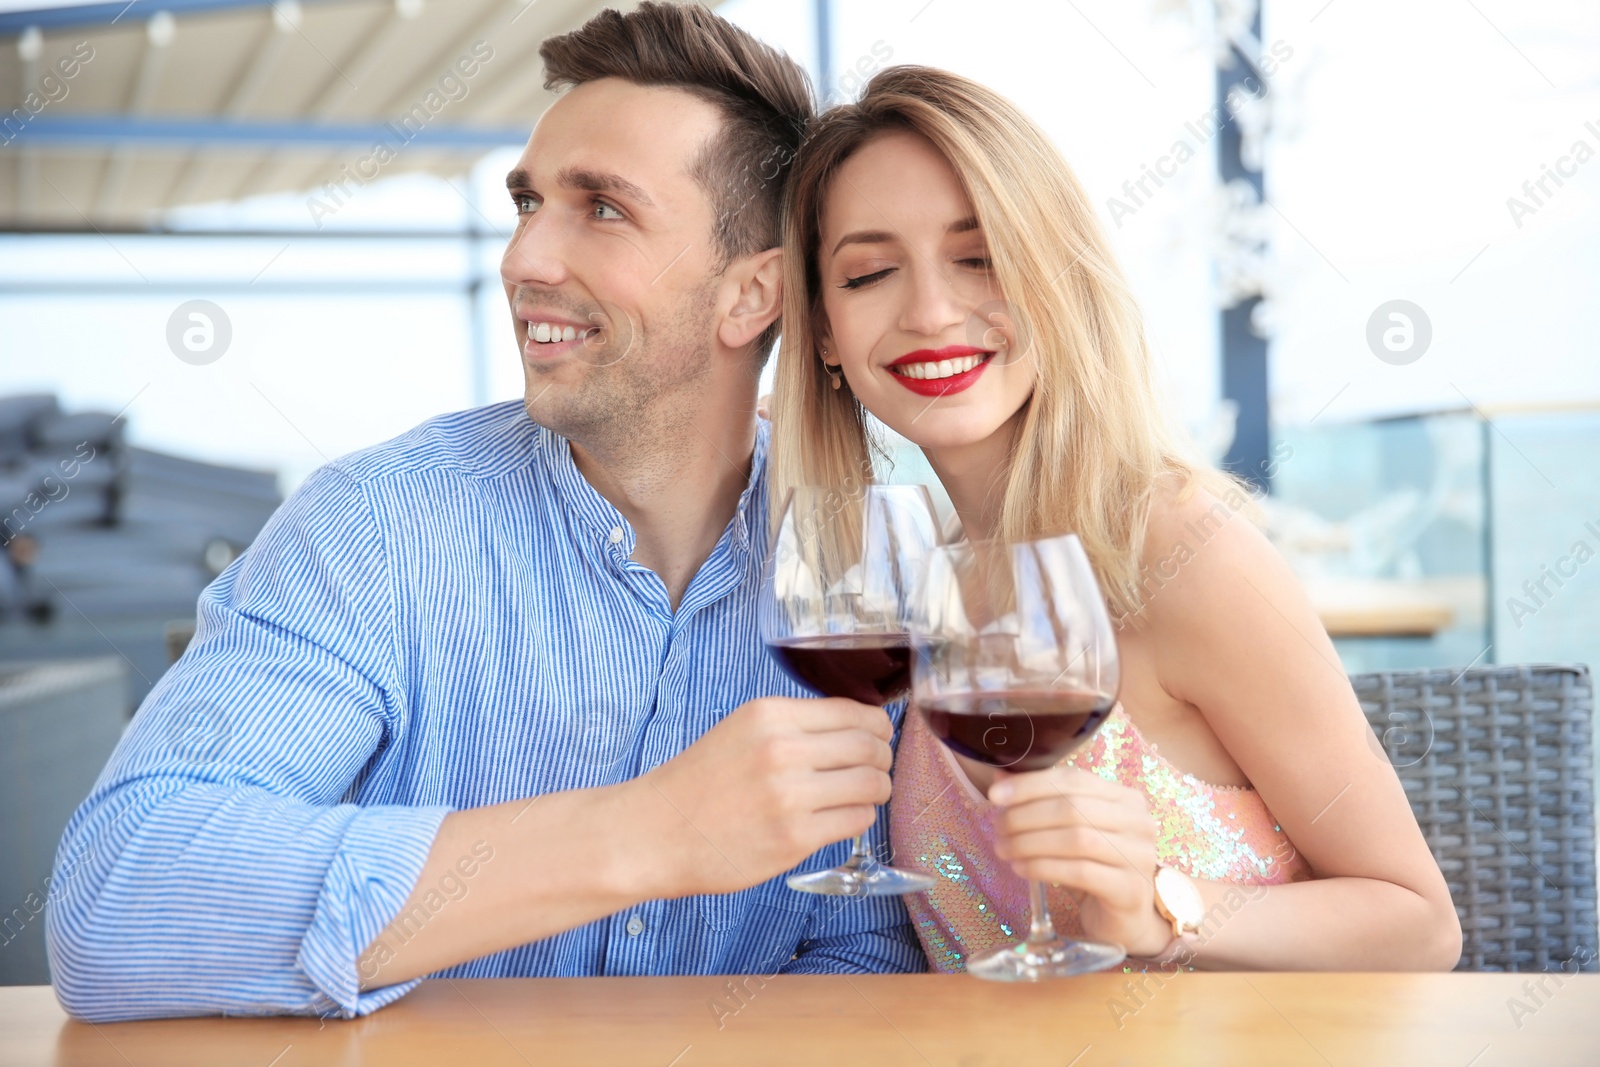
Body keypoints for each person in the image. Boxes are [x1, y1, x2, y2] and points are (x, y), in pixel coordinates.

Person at [46, 4, 924, 1023]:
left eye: (600, 209)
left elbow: (869, 945)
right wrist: (638, 832)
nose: (524, 258)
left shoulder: (863, 573)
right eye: (527, 202)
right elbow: (118, 895)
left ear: (752, 294)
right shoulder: (375, 529)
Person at [769, 66, 1463, 972]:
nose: (931, 311)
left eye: (979, 257)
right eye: (868, 273)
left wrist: (1163, 909)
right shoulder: (921, 582)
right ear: (824, 333)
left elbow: (1420, 927)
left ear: (1055, 278)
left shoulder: (1183, 552)